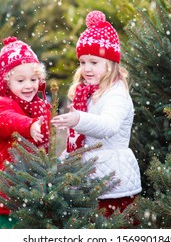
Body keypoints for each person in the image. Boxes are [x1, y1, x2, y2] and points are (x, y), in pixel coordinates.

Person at [51, 11, 141, 219]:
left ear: (110, 63)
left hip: (113, 182)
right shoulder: (86, 92)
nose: (86, 69)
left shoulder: (116, 93)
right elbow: (81, 140)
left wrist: (78, 120)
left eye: (94, 62)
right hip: (89, 177)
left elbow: (108, 126)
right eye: (82, 62)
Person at [0, 36, 50, 228]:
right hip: (10, 189)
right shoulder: (2, 104)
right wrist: (29, 126)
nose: (29, 85)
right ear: (7, 83)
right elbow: (6, 121)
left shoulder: (41, 106)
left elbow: (47, 140)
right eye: (21, 80)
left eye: (33, 79)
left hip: (35, 188)